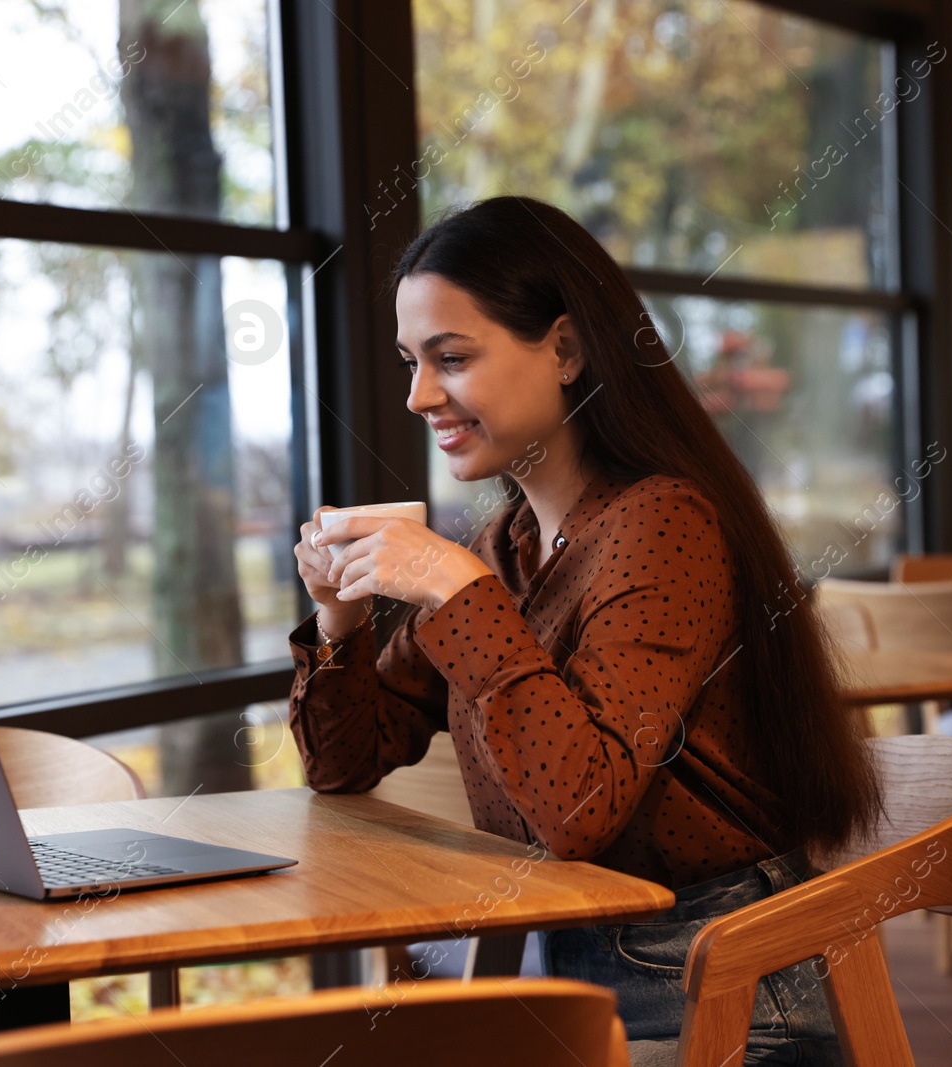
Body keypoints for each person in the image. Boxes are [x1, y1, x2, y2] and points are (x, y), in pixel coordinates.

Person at [287, 196, 882, 1066]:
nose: (418, 396)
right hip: (575, 973)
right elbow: (342, 764)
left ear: (565, 349)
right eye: (411, 361)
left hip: (719, 994)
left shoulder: (664, 525)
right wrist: (339, 613)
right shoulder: (512, 546)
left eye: (451, 358)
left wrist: (455, 588)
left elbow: (578, 810)